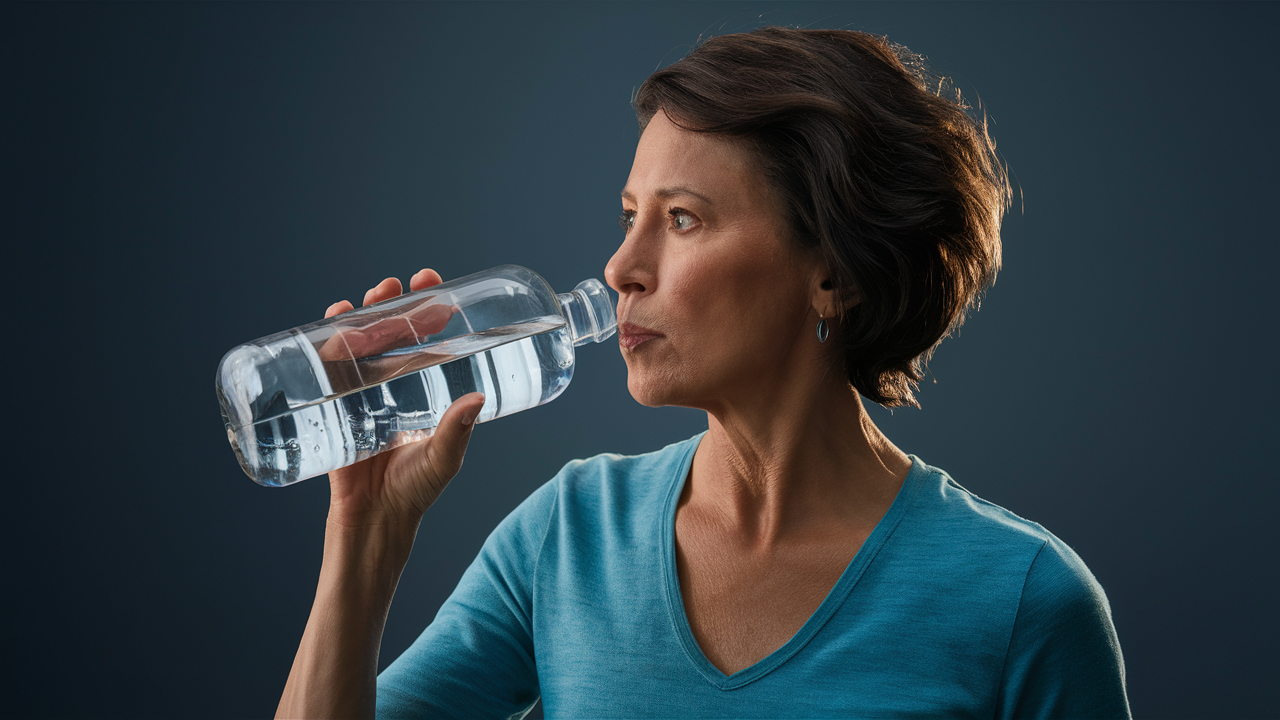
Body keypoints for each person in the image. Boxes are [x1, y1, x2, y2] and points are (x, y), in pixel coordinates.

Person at [277, 26, 1130, 719]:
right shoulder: (570, 535)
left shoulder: (1024, 602)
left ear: (834, 271)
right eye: (627, 216)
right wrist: (365, 535)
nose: (619, 268)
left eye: (682, 219)